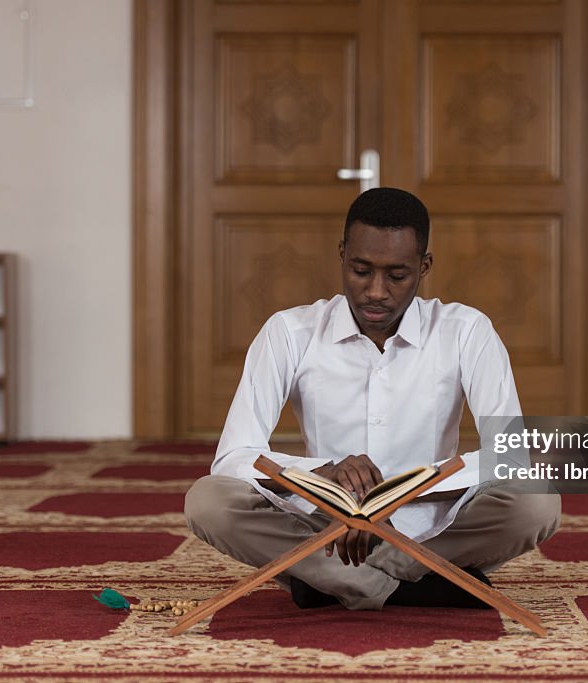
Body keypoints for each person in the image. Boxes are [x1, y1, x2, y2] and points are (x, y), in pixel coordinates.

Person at [184, 187, 560, 611]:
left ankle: (339, 580)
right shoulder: (289, 332)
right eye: (361, 271)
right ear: (342, 255)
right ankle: (413, 586)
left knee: (537, 500)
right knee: (209, 500)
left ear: (424, 267)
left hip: (431, 523)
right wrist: (323, 475)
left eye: (396, 275)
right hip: (324, 525)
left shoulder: (466, 331)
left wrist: (408, 490)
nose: (376, 291)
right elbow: (234, 457)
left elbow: (509, 456)